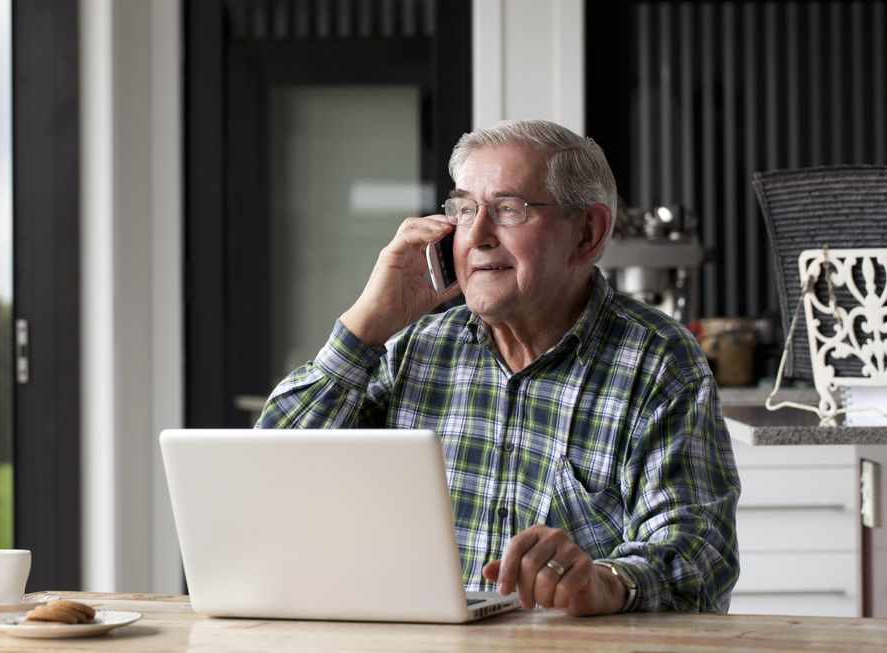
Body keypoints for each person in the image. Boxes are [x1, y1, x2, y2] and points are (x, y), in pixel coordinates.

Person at [257, 119, 740, 616]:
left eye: (509, 209)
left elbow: (700, 558)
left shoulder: (658, 361)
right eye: (465, 210)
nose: (479, 235)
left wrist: (607, 582)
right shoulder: (414, 348)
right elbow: (267, 477)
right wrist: (366, 326)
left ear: (587, 234)